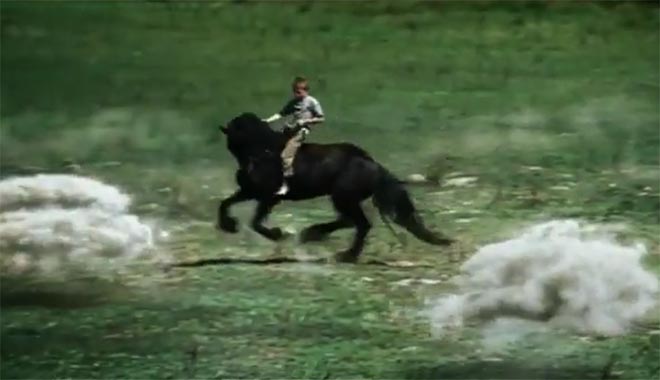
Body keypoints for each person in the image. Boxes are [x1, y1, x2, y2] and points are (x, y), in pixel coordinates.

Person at [263, 76, 325, 195]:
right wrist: (267, 120)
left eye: (299, 92)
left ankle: (286, 185)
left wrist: (306, 122)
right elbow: (281, 114)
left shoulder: (312, 102)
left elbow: (322, 118)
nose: (296, 94)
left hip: (301, 131)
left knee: (285, 156)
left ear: (306, 91)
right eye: (294, 91)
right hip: (290, 128)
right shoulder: (294, 102)